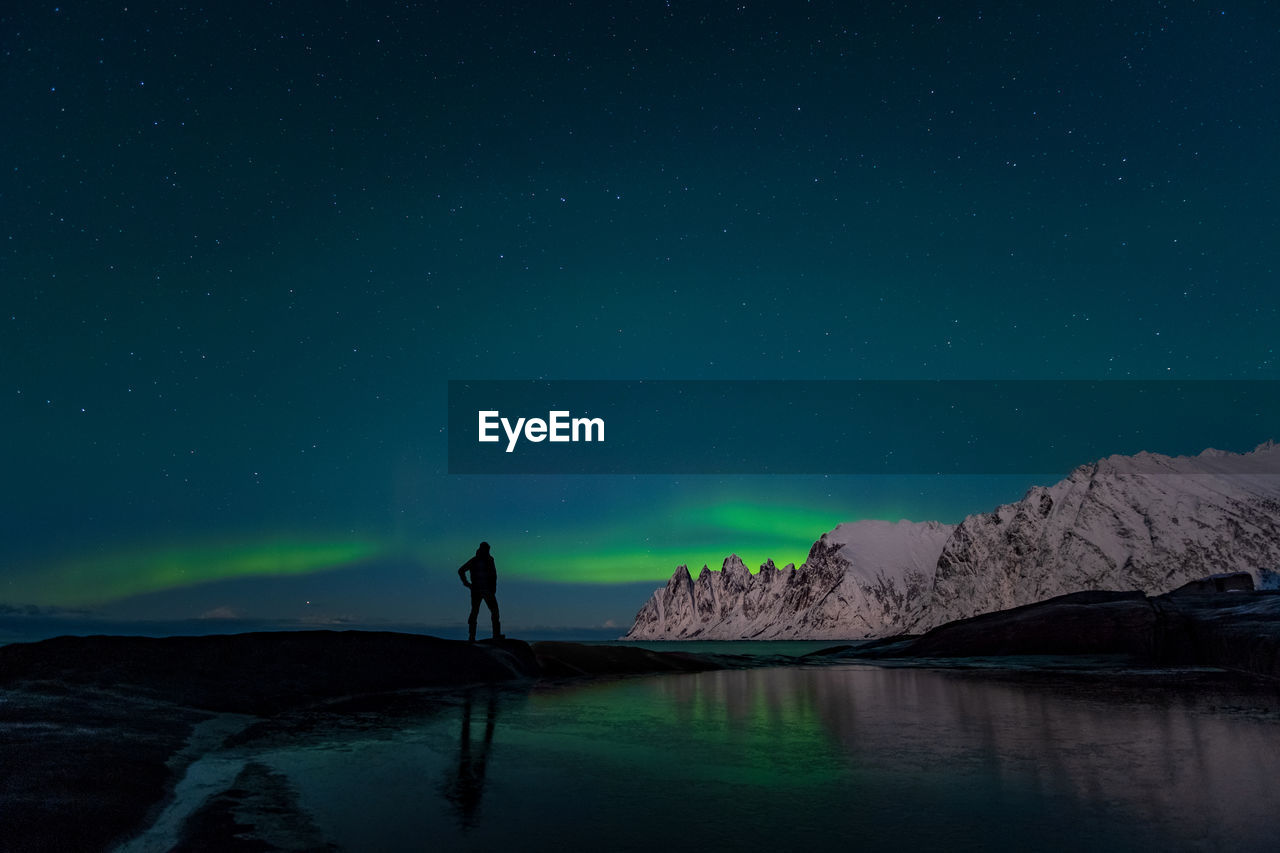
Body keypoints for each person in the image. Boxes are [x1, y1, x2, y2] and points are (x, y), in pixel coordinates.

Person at [458, 541, 502, 642]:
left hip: (487, 590)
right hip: (477, 590)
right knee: (475, 612)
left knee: (494, 611)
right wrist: (466, 583)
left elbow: (494, 574)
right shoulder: (475, 560)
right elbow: (461, 570)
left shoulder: (490, 559)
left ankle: (496, 635)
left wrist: (493, 588)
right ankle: (472, 636)